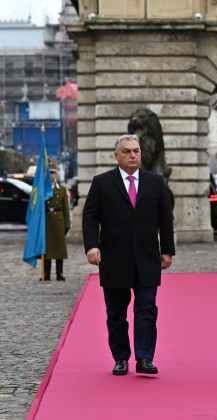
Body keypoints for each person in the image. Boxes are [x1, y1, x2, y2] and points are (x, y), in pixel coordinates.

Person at [82, 134, 175, 376]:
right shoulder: (102, 182)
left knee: (146, 308)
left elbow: (165, 218)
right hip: (114, 258)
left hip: (147, 257)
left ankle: (145, 358)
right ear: (116, 156)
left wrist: (167, 250)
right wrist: (92, 246)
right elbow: (90, 216)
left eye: (136, 151)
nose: (133, 155)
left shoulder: (155, 182)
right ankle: (121, 357)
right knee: (116, 313)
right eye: (127, 151)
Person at [43, 162, 70, 281]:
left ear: (56, 174)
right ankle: (46, 273)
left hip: (58, 220)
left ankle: (59, 272)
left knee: (59, 248)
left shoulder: (62, 189)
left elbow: (66, 208)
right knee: (47, 249)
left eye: (53, 173)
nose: (51, 175)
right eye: (49, 173)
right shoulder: (43, 189)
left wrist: (67, 224)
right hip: (47, 220)